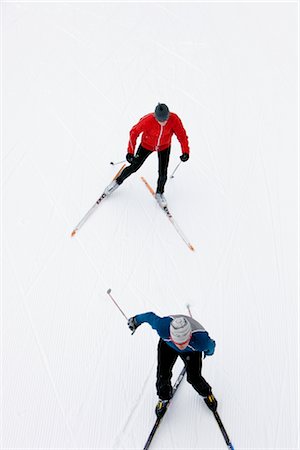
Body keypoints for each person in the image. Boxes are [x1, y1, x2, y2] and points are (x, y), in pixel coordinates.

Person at [127, 312, 217, 418]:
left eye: (184, 343)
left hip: (191, 351)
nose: (180, 347)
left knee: (194, 377)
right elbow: (149, 317)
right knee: (162, 373)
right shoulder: (162, 327)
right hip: (168, 345)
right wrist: (135, 321)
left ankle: (206, 393)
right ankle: (164, 397)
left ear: (190, 336)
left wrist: (208, 352)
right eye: (178, 343)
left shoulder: (201, 341)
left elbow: (211, 347)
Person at [104, 103, 190, 207]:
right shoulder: (148, 120)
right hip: (146, 145)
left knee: (163, 172)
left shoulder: (174, 119)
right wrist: (130, 152)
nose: (163, 123)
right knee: (134, 167)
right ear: (155, 116)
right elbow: (134, 132)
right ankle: (116, 182)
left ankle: (159, 193)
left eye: (165, 119)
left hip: (164, 146)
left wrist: (185, 151)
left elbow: (182, 135)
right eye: (160, 120)